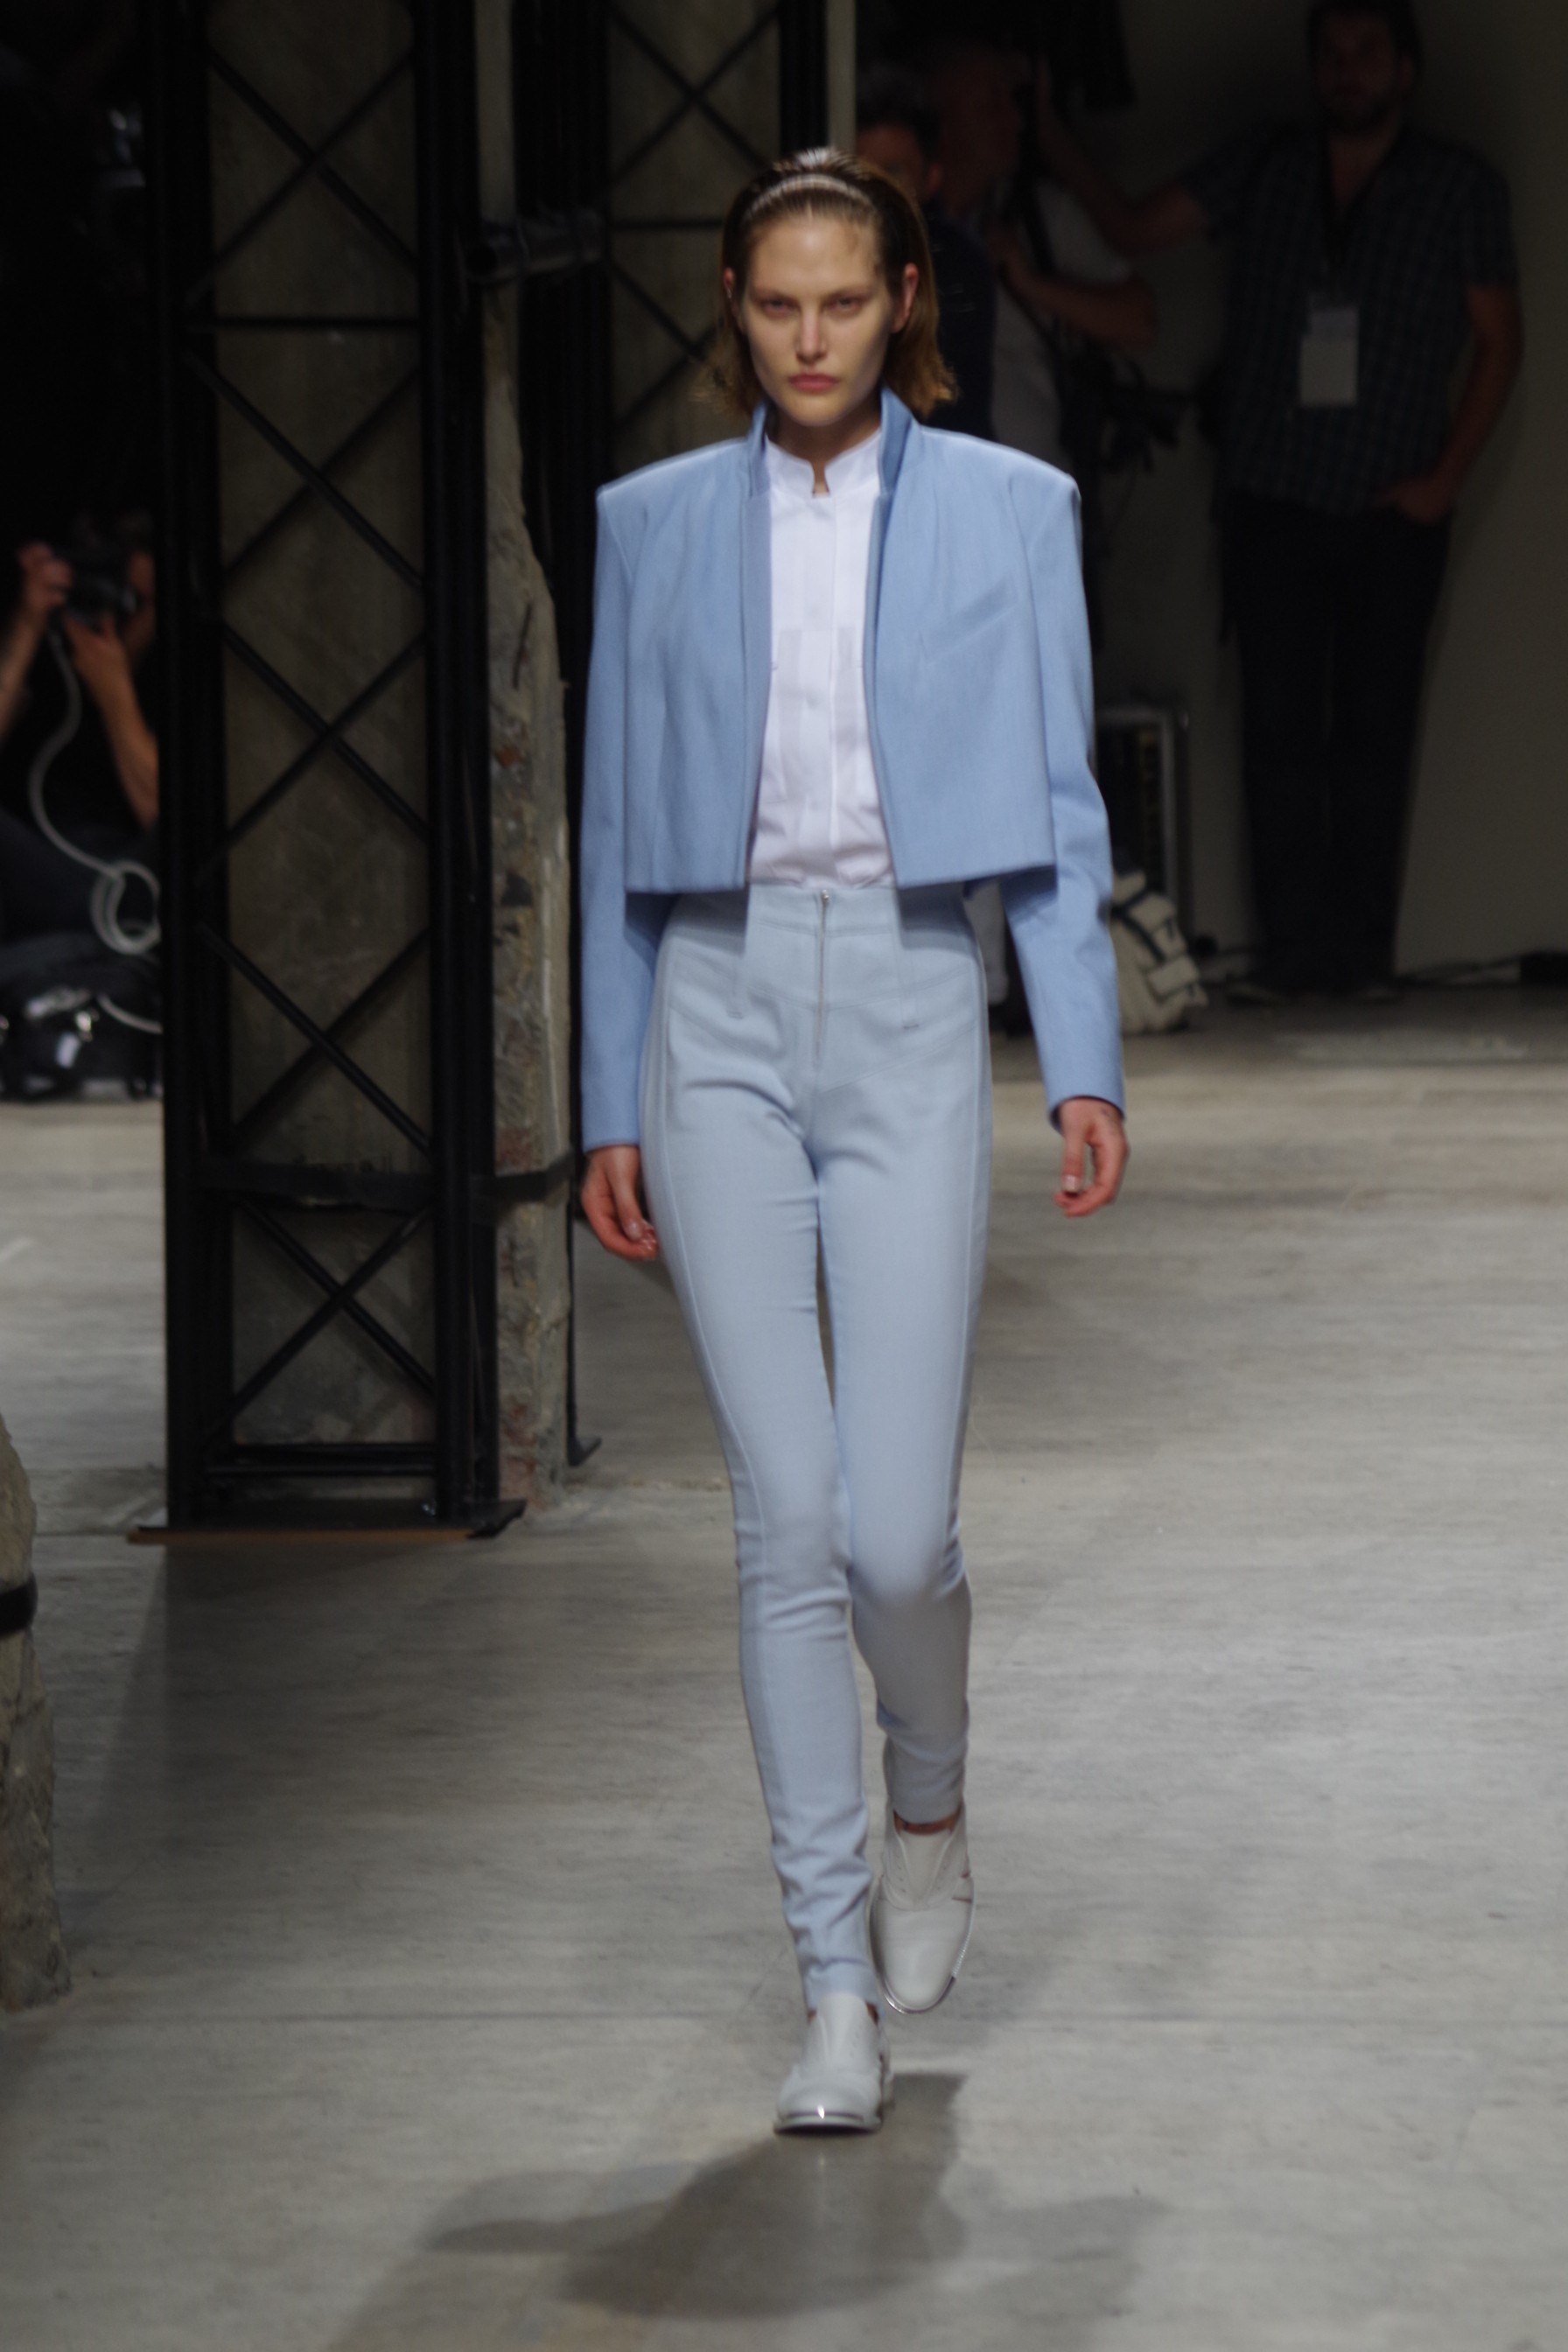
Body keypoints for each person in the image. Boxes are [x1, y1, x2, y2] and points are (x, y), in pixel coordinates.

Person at [578, 149, 1127, 2133]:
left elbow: (1056, 806)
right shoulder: (648, 523)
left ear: (905, 302)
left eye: (842, 301)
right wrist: (604, 1093)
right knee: (787, 1518)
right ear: (733, 305)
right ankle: (828, 1984)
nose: (807, 339)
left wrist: (1082, 1057)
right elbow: (609, 826)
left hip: (905, 997)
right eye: (774, 303)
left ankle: (933, 1793)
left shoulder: (1011, 510)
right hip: (714, 1004)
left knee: (898, 1532)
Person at [1036, 0, 1522, 999]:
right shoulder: (1267, 165)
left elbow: (1499, 339)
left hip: (1392, 502)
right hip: (1274, 496)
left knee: (1375, 735)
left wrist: (1444, 480)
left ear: (1406, 69)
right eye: (1331, 51)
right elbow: (1132, 226)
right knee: (1277, 735)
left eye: (1367, 50)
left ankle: (1360, 956)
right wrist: (1042, 126)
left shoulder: (1456, 185)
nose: (1347, 68)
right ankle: (1295, 955)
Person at [0, 527, 158, 948]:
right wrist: (29, 623)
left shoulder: (179, 679)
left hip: (128, 890)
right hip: (38, 875)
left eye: (135, 602)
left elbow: (170, 820)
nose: (114, 613)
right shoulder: (49, 661)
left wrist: (114, 691)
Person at [855, 62, 996, 441]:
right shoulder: (807, 258)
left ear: (930, 179)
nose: (871, 190)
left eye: (891, 172)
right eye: (857, 170)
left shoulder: (957, 265)